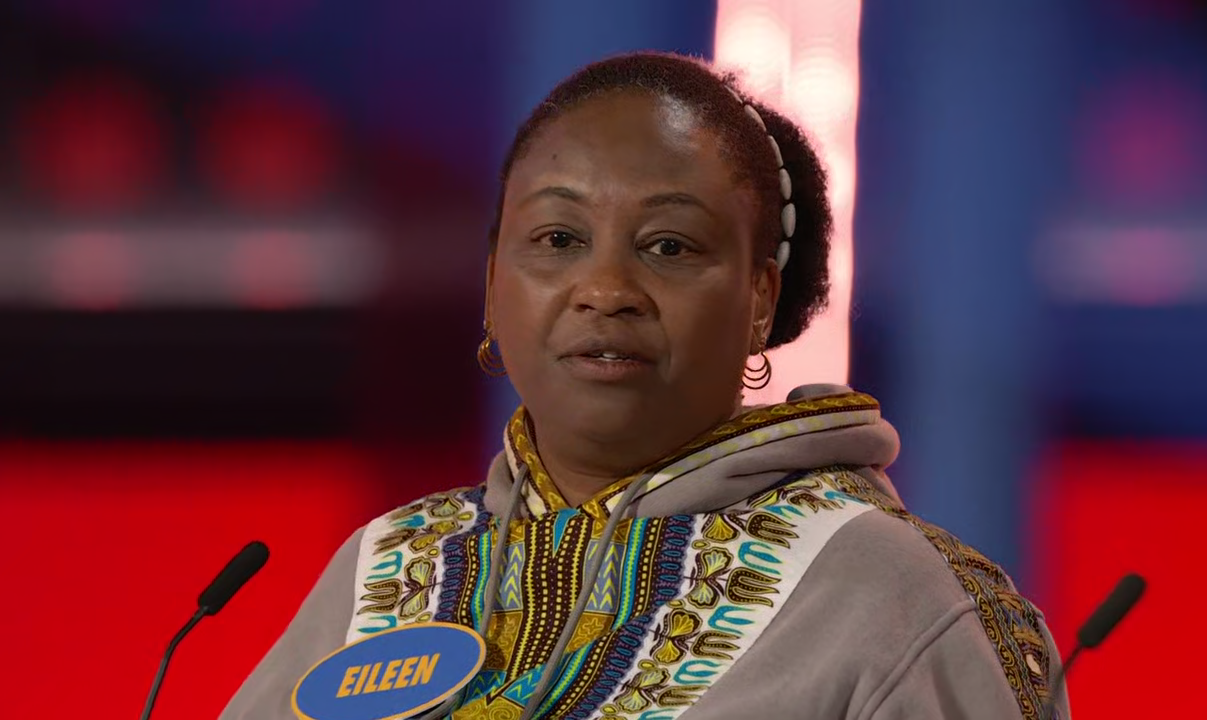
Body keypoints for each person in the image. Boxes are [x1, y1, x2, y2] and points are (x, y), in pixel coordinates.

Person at [221, 52, 1069, 720]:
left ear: (759, 300)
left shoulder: (888, 590)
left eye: (669, 246)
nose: (605, 289)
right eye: (558, 239)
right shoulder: (386, 566)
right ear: (491, 287)